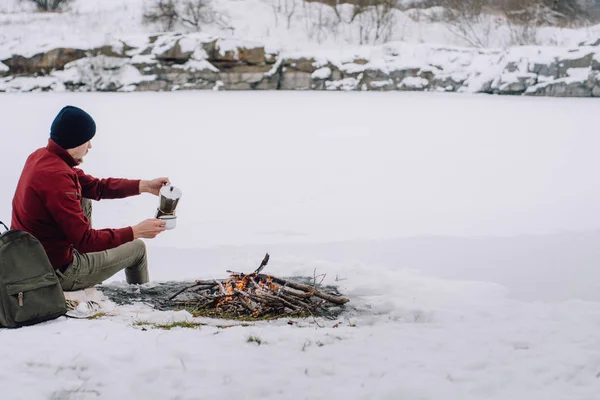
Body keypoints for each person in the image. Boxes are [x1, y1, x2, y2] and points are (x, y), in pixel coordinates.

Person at [11, 105, 167, 291]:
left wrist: (147, 185)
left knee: (85, 196)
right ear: (74, 141)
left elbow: (96, 187)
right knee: (138, 249)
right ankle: (141, 304)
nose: (90, 146)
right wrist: (136, 231)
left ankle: (87, 264)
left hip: (31, 258)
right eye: (87, 140)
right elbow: (86, 241)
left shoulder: (41, 157)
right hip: (54, 272)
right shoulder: (58, 178)